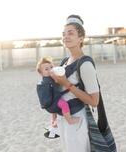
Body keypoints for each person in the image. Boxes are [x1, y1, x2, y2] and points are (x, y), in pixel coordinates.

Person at [50, 15, 100, 152]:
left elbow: (94, 101)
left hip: (76, 118)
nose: (66, 36)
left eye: (71, 33)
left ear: (81, 38)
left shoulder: (85, 64)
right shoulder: (65, 61)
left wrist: (66, 83)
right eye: (64, 34)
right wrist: (53, 114)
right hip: (63, 118)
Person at [36, 57, 81, 126]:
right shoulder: (47, 81)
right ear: (41, 73)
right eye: (46, 69)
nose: (50, 70)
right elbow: (59, 84)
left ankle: (54, 121)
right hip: (52, 102)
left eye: (51, 67)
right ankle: (70, 120)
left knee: (56, 108)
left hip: (51, 103)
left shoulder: (47, 79)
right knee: (64, 104)